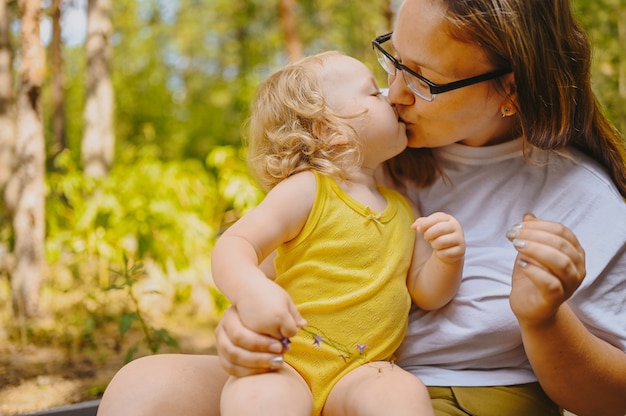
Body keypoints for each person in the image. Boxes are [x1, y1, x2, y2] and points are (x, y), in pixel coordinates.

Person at [96, 1, 626, 415]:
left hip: (446, 394)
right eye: (392, 58)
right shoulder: (367, 147)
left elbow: (614, 399)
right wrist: (241, 327)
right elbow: (275, 266)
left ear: (510, 89)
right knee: (144, 388)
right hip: (306, 367)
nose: (393, 92)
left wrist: (545, 319)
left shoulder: (582, 198)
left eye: (421, 77)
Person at [211, 50, 465, 416]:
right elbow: (235, 244)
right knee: (255, 398)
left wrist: (448, 257)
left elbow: (426, 293)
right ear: (330, 131)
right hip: (285, 362)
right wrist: (252, 290)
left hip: (364, 371)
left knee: (402, 394)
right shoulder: (308, 190)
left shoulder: (403, 208)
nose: (389, 96)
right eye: (373, 93)